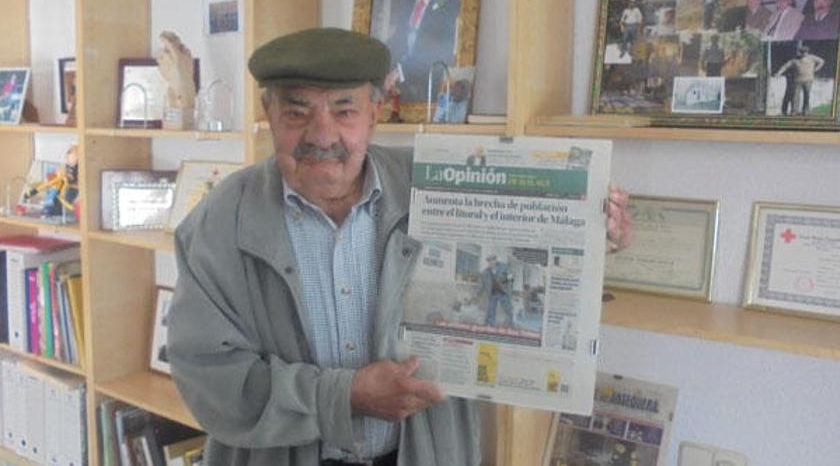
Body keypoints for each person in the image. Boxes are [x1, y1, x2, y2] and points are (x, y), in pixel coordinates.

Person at [166, 27, 633, 466]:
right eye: (297, 111)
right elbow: (210, 380)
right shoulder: (218, 224)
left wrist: (596, 234)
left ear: (375, 113)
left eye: (344, 110)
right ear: (268, 114)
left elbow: (527, 248)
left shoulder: (441, 188)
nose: (322, 135)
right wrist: (345, 396)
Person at [384, 0, 460, 103]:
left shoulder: (450, 3)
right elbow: (400, 37)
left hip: (426, 82)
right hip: (401, 70)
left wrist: (399, 71)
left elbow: (435, 51)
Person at [777, 46, 825, 116]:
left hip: (808, 80)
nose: (803, 54)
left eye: (805, 52)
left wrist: (816, 69)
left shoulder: (812, 57)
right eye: (802, 52)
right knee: (795, 96)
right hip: (797, 80)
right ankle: (794, 111)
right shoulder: (795, 60)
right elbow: (786, 66)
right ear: (800, 52)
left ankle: (805, 111)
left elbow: (822, 61)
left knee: (807, 96)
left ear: (807, 52)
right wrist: (779, 72)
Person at [475, 254, 514, 328]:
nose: (491, 262)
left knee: (508, 309)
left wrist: (509, 290)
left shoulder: (504, 267)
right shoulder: (485, 272)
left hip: (503, 292)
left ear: (496, 260)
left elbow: (510, 279)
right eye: (489, 261)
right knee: (491, 310)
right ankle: (490, 325)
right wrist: (477, 293)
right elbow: (481, 284)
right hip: (492, 293)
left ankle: (511, 324)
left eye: (492, 260)